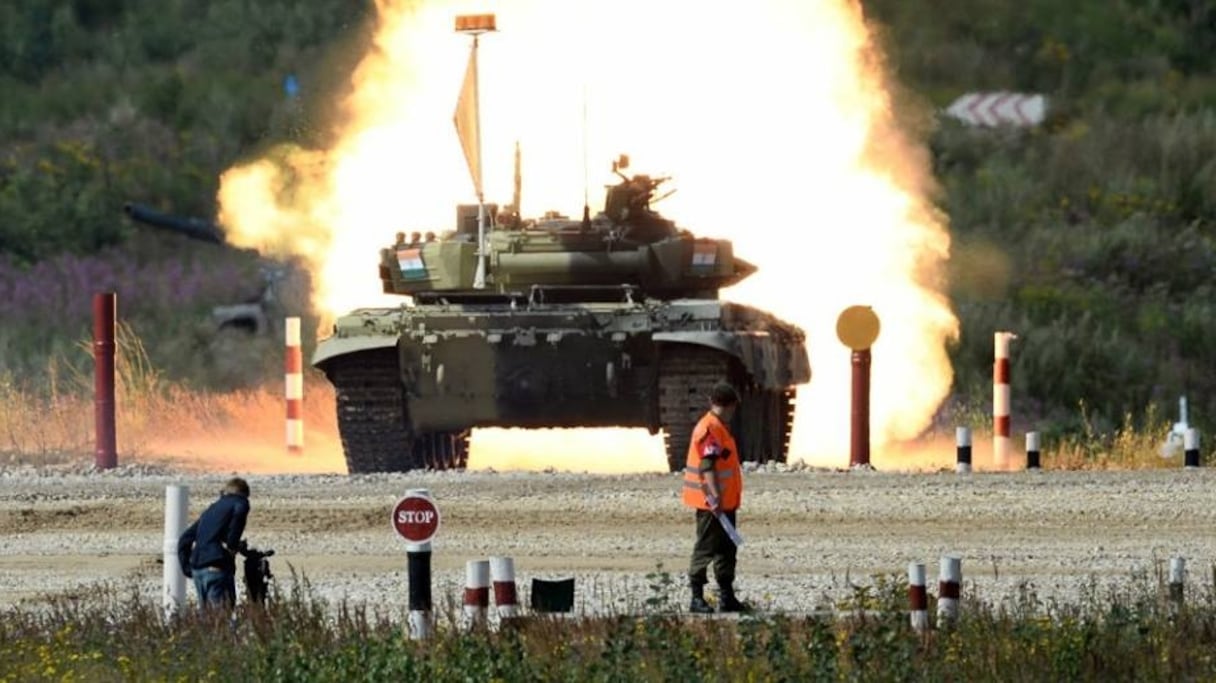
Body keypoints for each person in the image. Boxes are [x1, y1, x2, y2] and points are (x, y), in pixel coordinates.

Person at [682, 382, 751, 614]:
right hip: (712, 504)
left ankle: (726, 597)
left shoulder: (717, 426)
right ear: (732, 406)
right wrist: (715, 496)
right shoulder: (710, 429)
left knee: (726, 549)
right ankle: (696, 597)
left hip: (724, 503)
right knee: (706, 548)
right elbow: (707, 465)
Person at [177, 477, 251, 610]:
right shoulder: (240, 502)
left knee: (207, 621)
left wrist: (188, 568)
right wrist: (232, 546)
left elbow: (184, 539)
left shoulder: (211, 509)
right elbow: (238, 517)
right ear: (243, 493)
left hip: (198, 569)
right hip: (216, 567)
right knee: (221, 618)